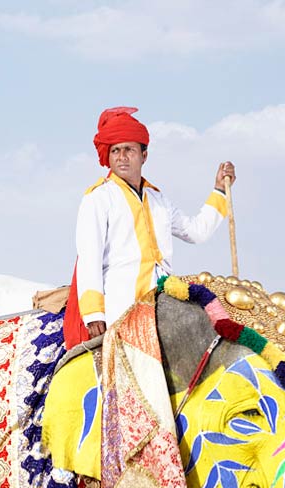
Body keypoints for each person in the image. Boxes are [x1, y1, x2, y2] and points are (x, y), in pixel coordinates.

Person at [63, 105, 236, 348]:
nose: (122, 156)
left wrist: (219, 191)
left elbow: (196, 232)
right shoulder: (98, 198)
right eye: (115, 150)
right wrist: (94, 315)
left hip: (164, 305)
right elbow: (89, 259)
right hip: (120, 306)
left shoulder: (158, 200)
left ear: (144, 155)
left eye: (129, 150)